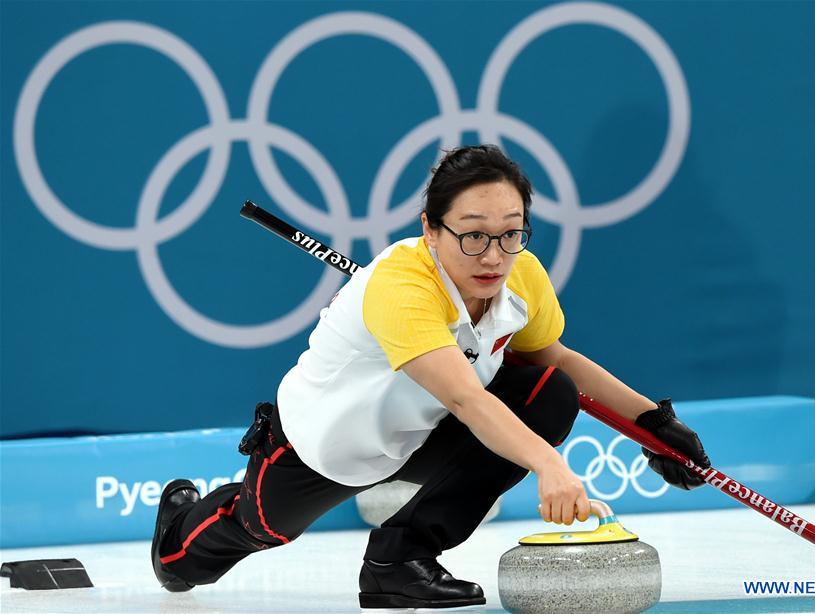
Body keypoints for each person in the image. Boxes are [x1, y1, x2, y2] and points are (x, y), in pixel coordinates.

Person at [151, 145, 710, 609]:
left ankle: (398, 558)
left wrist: (652, 422)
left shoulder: (521, 275)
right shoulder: (403, 286)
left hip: (423, 431)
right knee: (256, 528)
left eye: (511, 233)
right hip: (326, 445)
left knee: (548, 395)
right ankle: (176, 542)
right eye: (472, 234)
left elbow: (556, 360)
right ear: (431, 229)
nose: (493, 255)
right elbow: (467, 398)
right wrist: (550, 465)